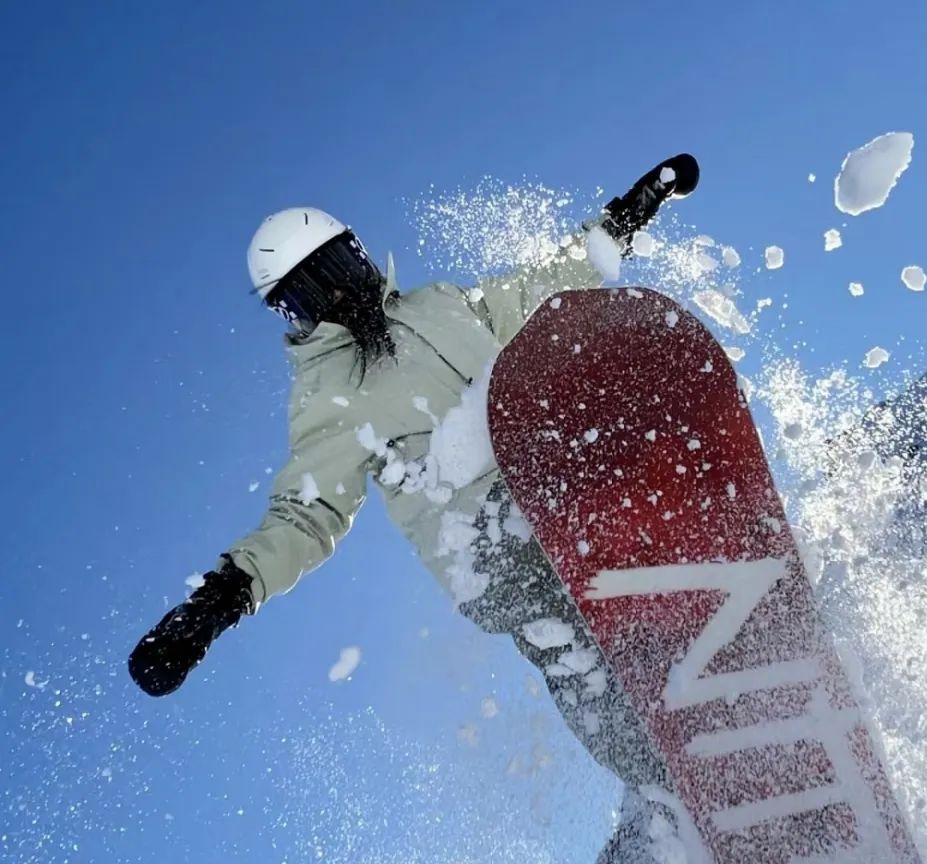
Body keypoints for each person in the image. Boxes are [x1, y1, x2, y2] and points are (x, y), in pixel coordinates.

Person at [129, 156, 698, 791]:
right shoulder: (326, 395)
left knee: (603, 441)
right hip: (488, 547)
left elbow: (545, 286)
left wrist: (623, 218)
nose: (341, 296)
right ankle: (662, 787)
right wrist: (220, 599)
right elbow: (306, 512)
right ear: (294, 316)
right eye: (312, 295)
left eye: (340, 269)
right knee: (575, 647)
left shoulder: (441, 304)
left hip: (551, 484)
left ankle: (705, 648)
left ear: (361, 255)